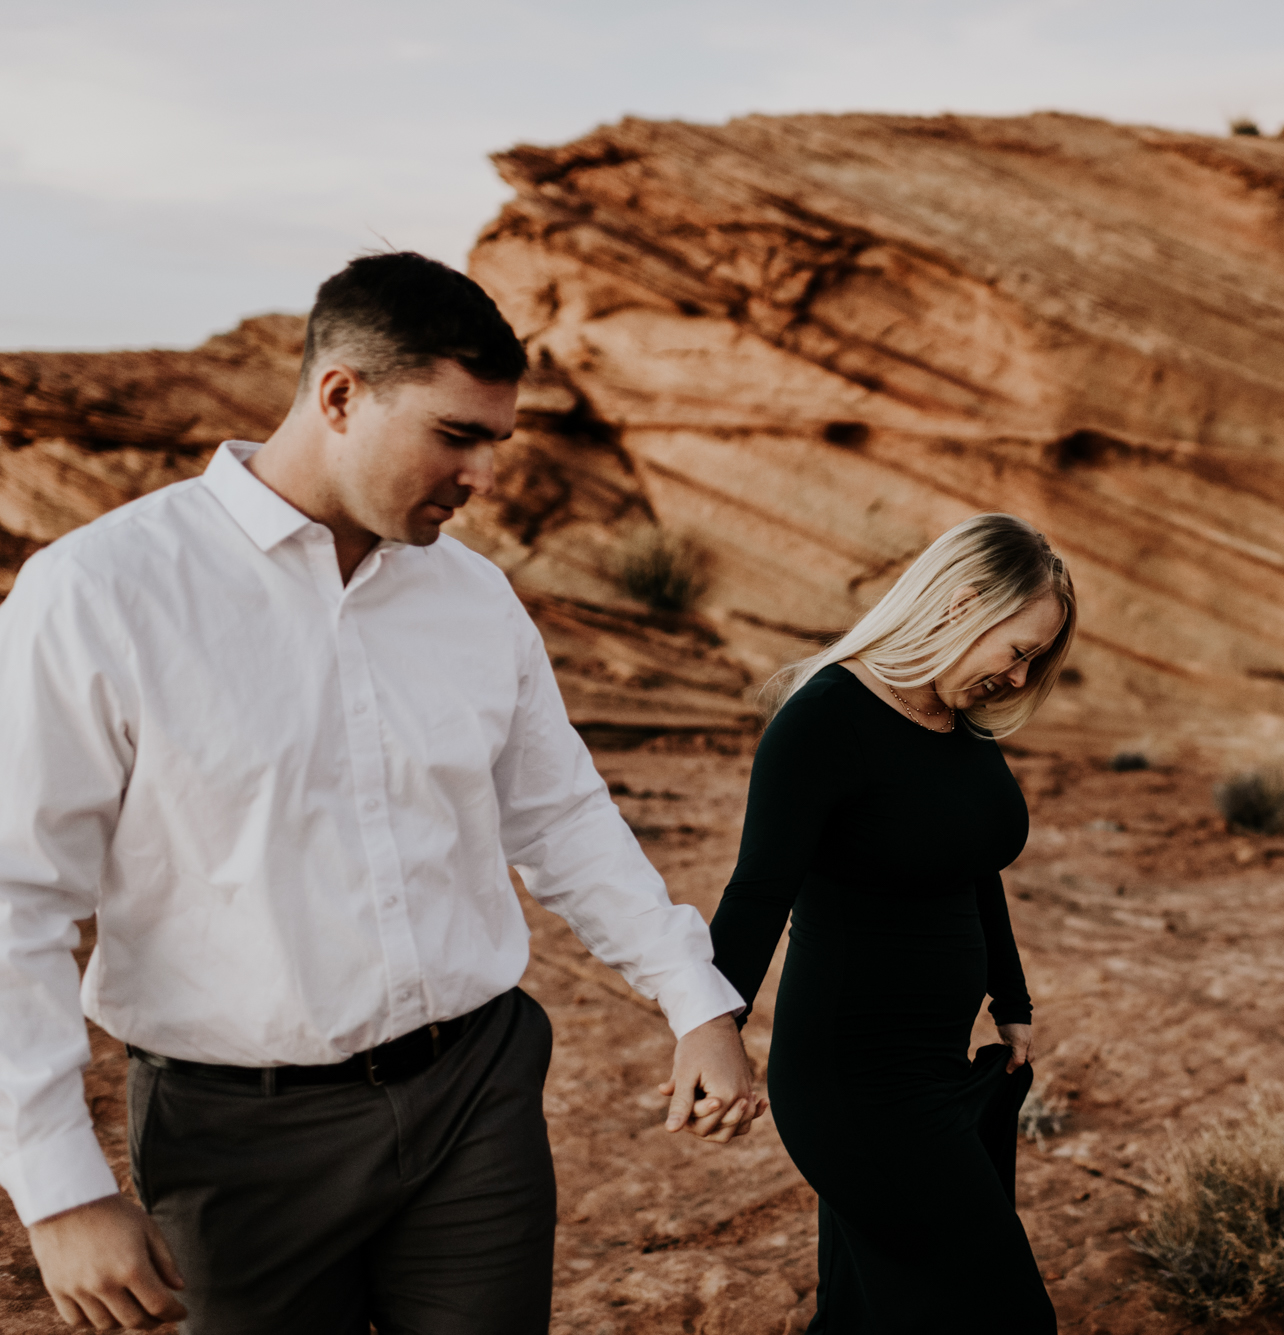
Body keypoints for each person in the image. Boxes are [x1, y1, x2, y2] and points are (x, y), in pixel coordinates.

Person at [0, 252, 765, 1334]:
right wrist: (57, 1183)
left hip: (475, 1098)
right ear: (340, 395)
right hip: (236, 1136)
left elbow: (559, 815)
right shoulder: (99, 592)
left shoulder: (473, 597)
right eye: (455, 436)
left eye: (496, 442)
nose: (484, 475)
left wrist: (695, 997)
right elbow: (14, 897)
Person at [707, 512, 1075, 1333]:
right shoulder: (824, 719)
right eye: (1018, 650)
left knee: (867, 1312)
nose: (1019, 679)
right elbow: (758, 890)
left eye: (1035, 662)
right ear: (963, 603)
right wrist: (713, 1025)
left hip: (936, 1068)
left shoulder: (957, 721)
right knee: (999, 1314)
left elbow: (973, 862)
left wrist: (1010, 1001)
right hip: (853, 1087)